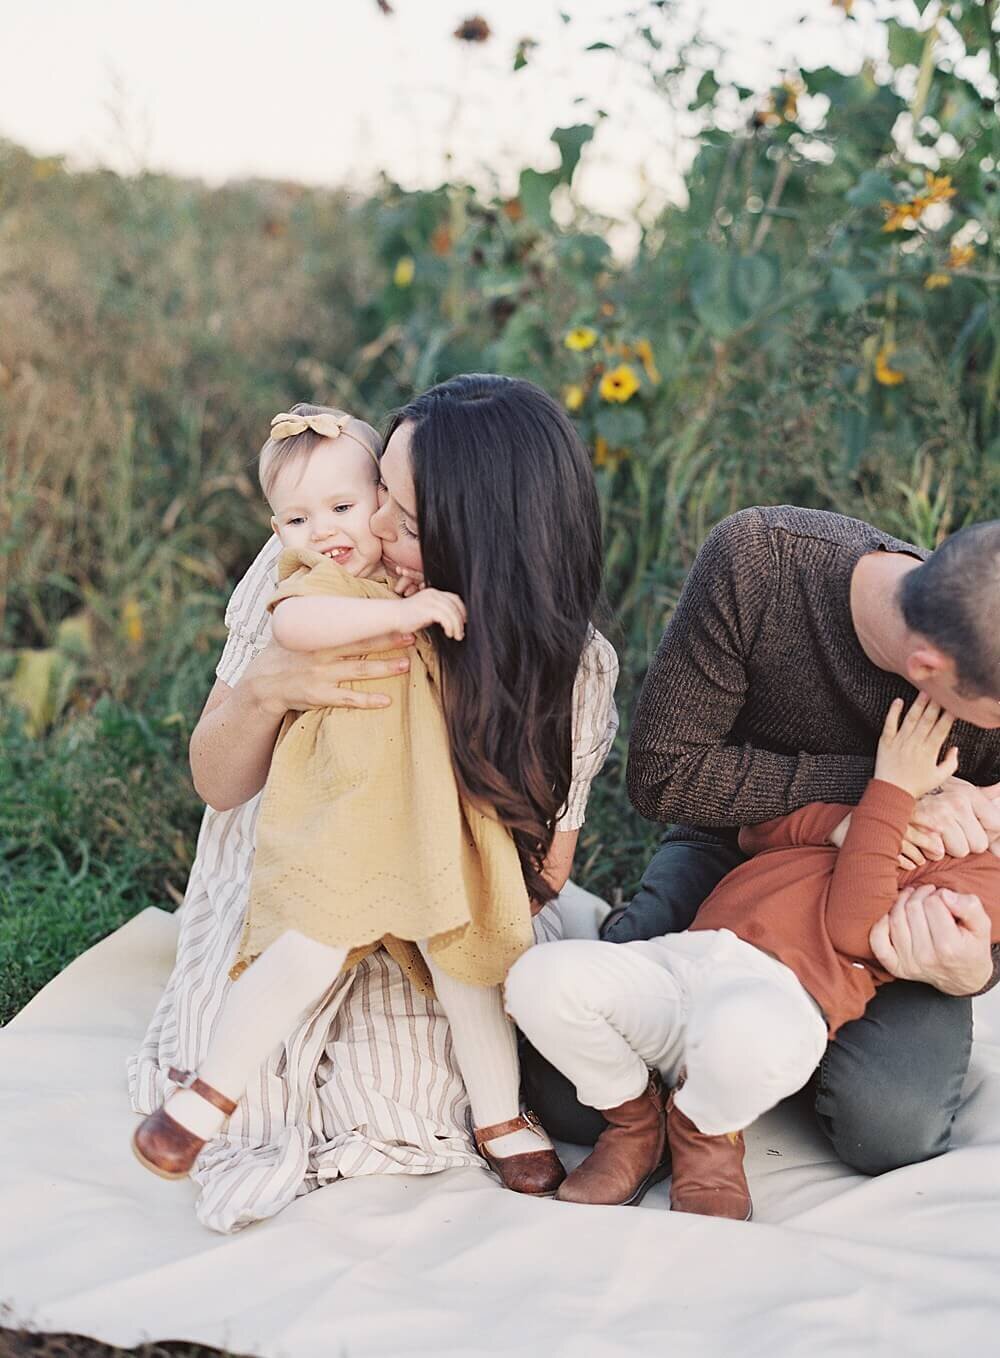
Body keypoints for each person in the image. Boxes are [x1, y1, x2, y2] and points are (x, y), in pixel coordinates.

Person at [128, 377, 619, 1233]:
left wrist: (439, 859)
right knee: (270, 1060)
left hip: (444, 885)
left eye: (411, 520)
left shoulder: (573, 669)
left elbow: (546, 872)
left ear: (487, 547)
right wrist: (264, 691)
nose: (371, 527)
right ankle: (205, 1101)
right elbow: (216, 782)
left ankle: (502, 1114)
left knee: (412, 1095)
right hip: (306, 853)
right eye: (382, 488)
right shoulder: (321, 561)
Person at [526, 507, 999, 1174]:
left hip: (905, 893)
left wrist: (979, 967)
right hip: (745, 850)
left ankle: (763, 1050)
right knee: (567, 1098)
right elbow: (664, 775)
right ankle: (707, 1016)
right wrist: (880, 794)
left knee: (892, 1130)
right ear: (926, 667)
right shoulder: (762, 562)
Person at [507, 691, 1000, 1216]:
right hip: (694, 954)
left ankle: (705, 1131)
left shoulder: (982, 881)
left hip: (786, 992)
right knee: (539, 980)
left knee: (745, 1033)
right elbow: (756, 832)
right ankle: (636, 1119)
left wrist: (893, 792)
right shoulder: (899, 811)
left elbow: (856, 929)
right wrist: (846, 822)